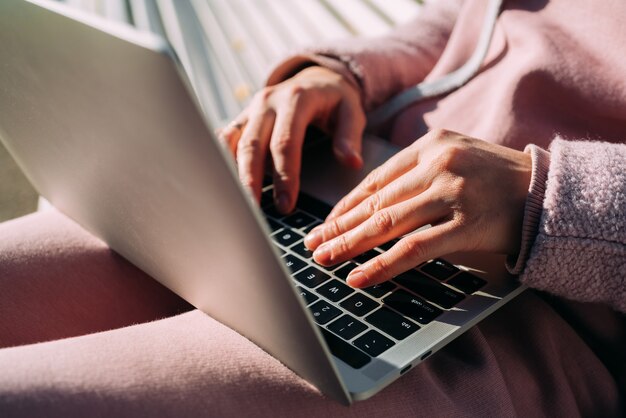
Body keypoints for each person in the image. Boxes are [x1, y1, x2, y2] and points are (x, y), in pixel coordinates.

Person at [0, 0, 623, 416]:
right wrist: (346, 73)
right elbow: (480, 21)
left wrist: (545, 201)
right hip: (346, 179)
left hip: (533, 310)